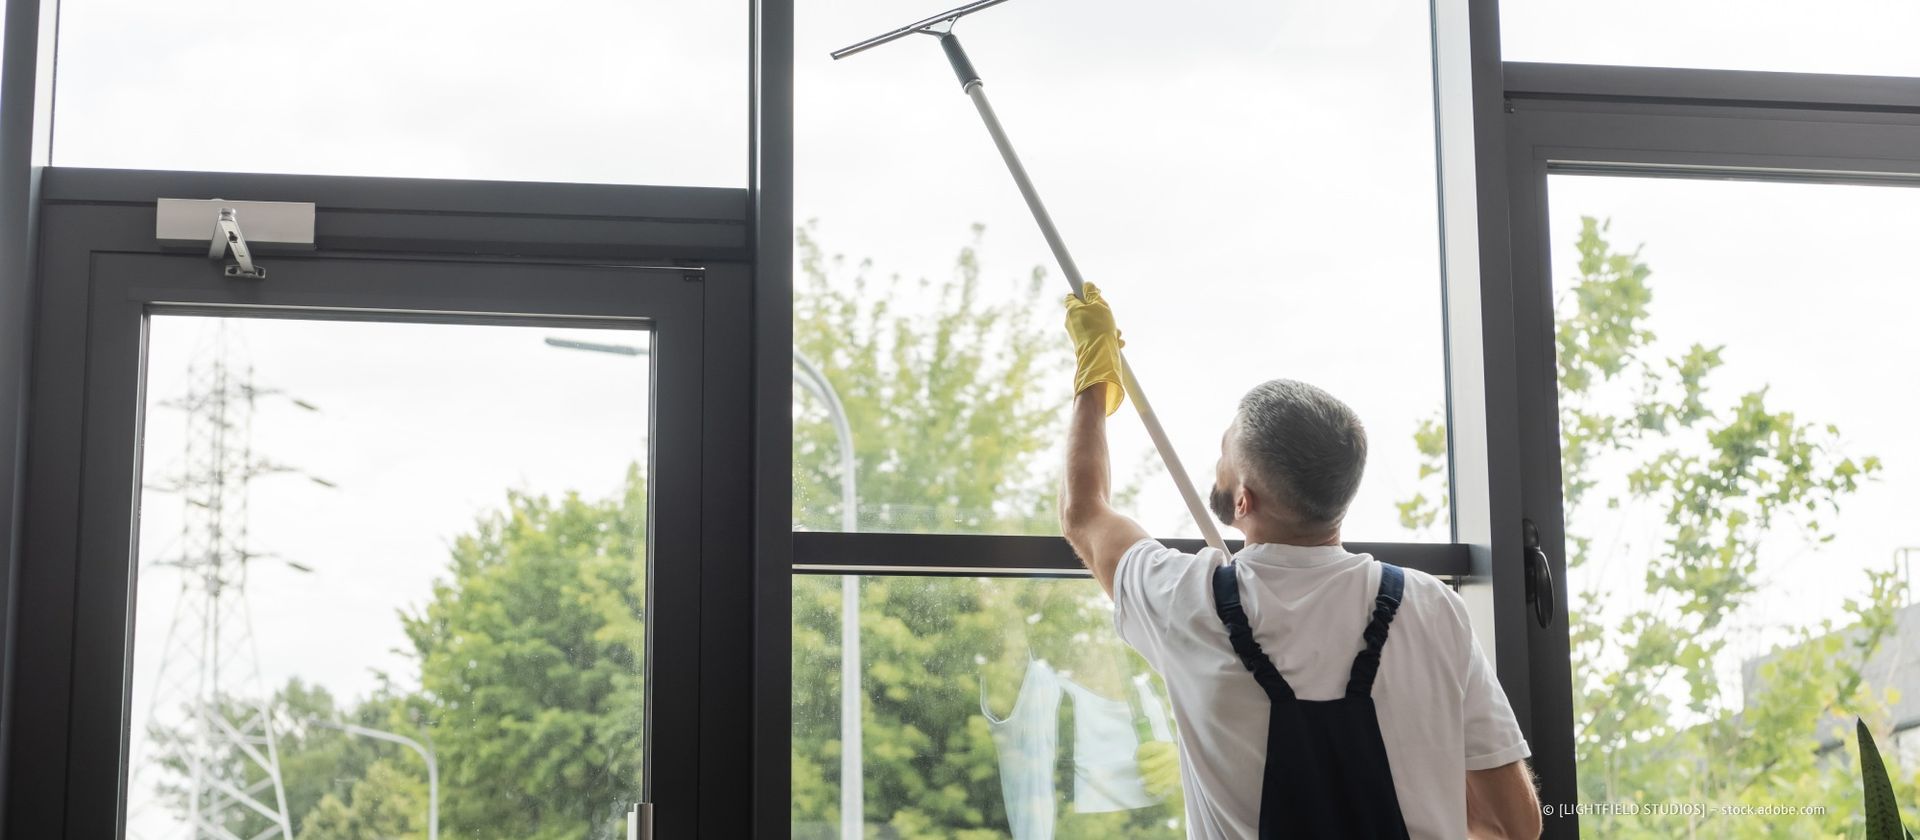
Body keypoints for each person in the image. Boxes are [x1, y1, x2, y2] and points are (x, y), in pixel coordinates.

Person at [1056, 283, 1543, 840]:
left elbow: (1084, 513)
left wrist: (1094, 378)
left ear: (1243, 500)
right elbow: (1515, 826)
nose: (1218, 462)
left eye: (1223, 453)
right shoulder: (1432, 606)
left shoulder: (1184, 601)